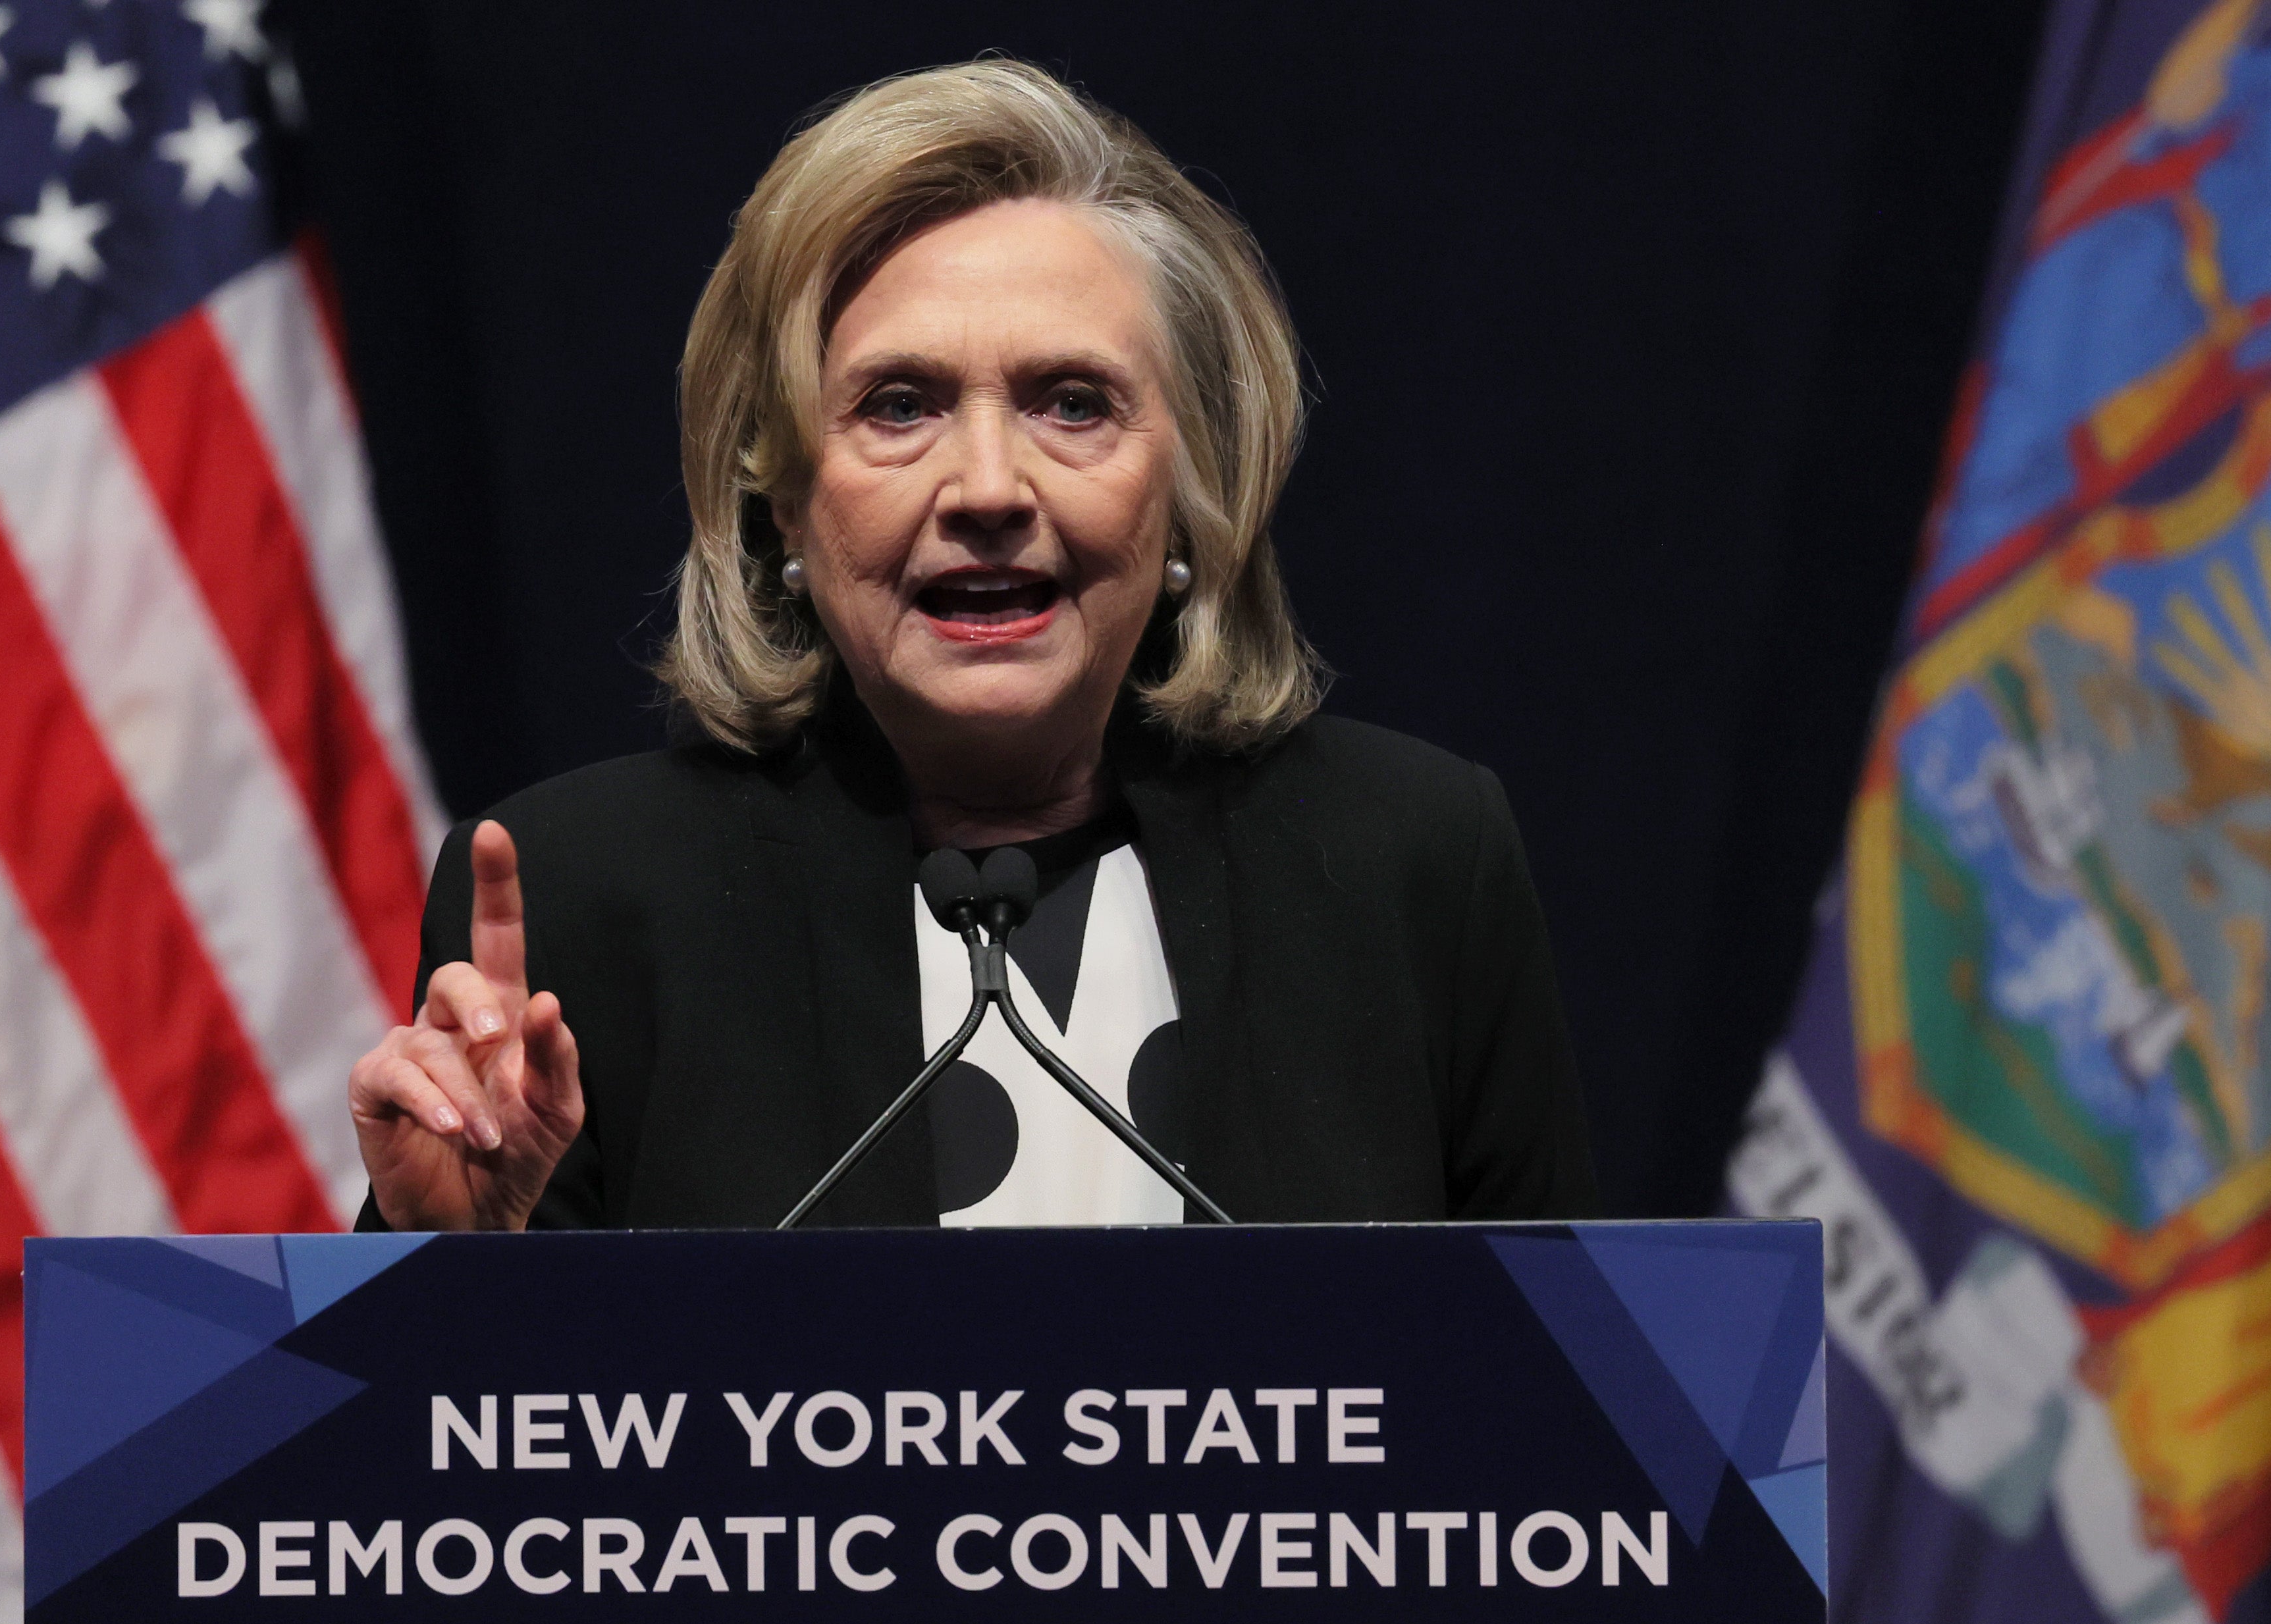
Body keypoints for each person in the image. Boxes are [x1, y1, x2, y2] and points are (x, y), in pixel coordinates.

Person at [348, 58, 1593, 1232]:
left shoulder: (1412, 867)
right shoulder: (586, 900)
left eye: (1072, 403)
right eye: (899, 406)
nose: (989, 486)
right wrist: (460, 1269)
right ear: (781, 494)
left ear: (1190, 485)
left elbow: (1580, 1407)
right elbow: (428, 1443)